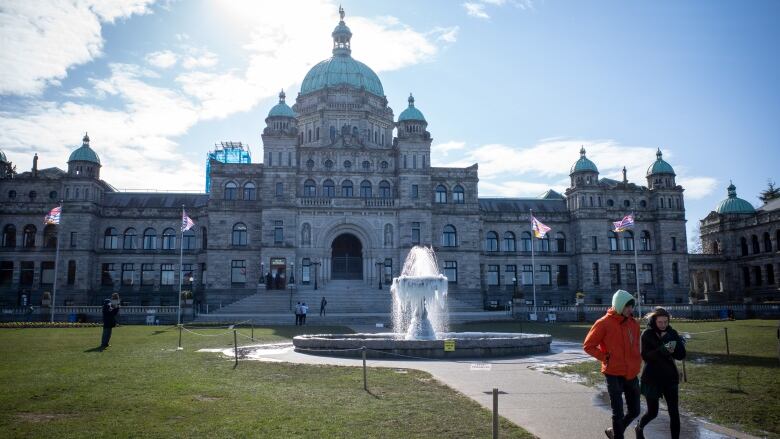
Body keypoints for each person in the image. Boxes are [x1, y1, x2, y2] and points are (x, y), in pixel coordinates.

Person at [583, 289, 641, 439]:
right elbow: (588, 345)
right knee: (618, 412)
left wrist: (637, 361)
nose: (631, 309)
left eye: (632, 306)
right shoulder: (603, 323)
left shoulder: (634, 324)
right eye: (627, 306)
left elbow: (635, 346)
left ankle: (615, 432)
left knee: (635, 410)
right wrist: (605, 358)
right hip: (613, 373)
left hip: (632, 373)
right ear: (619, 305)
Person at [636, 307, 686, 439]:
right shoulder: (647, 334)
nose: (663, 325)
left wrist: (670, 341)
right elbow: (646, 357)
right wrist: (665, 349)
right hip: (651, 379)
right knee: (653, 412)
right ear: (654, 321)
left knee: (674, 413)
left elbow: (681, 355)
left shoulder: (672, 333)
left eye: (666, 322)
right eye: (660, 322)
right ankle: (639, 427)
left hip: (670, 378)